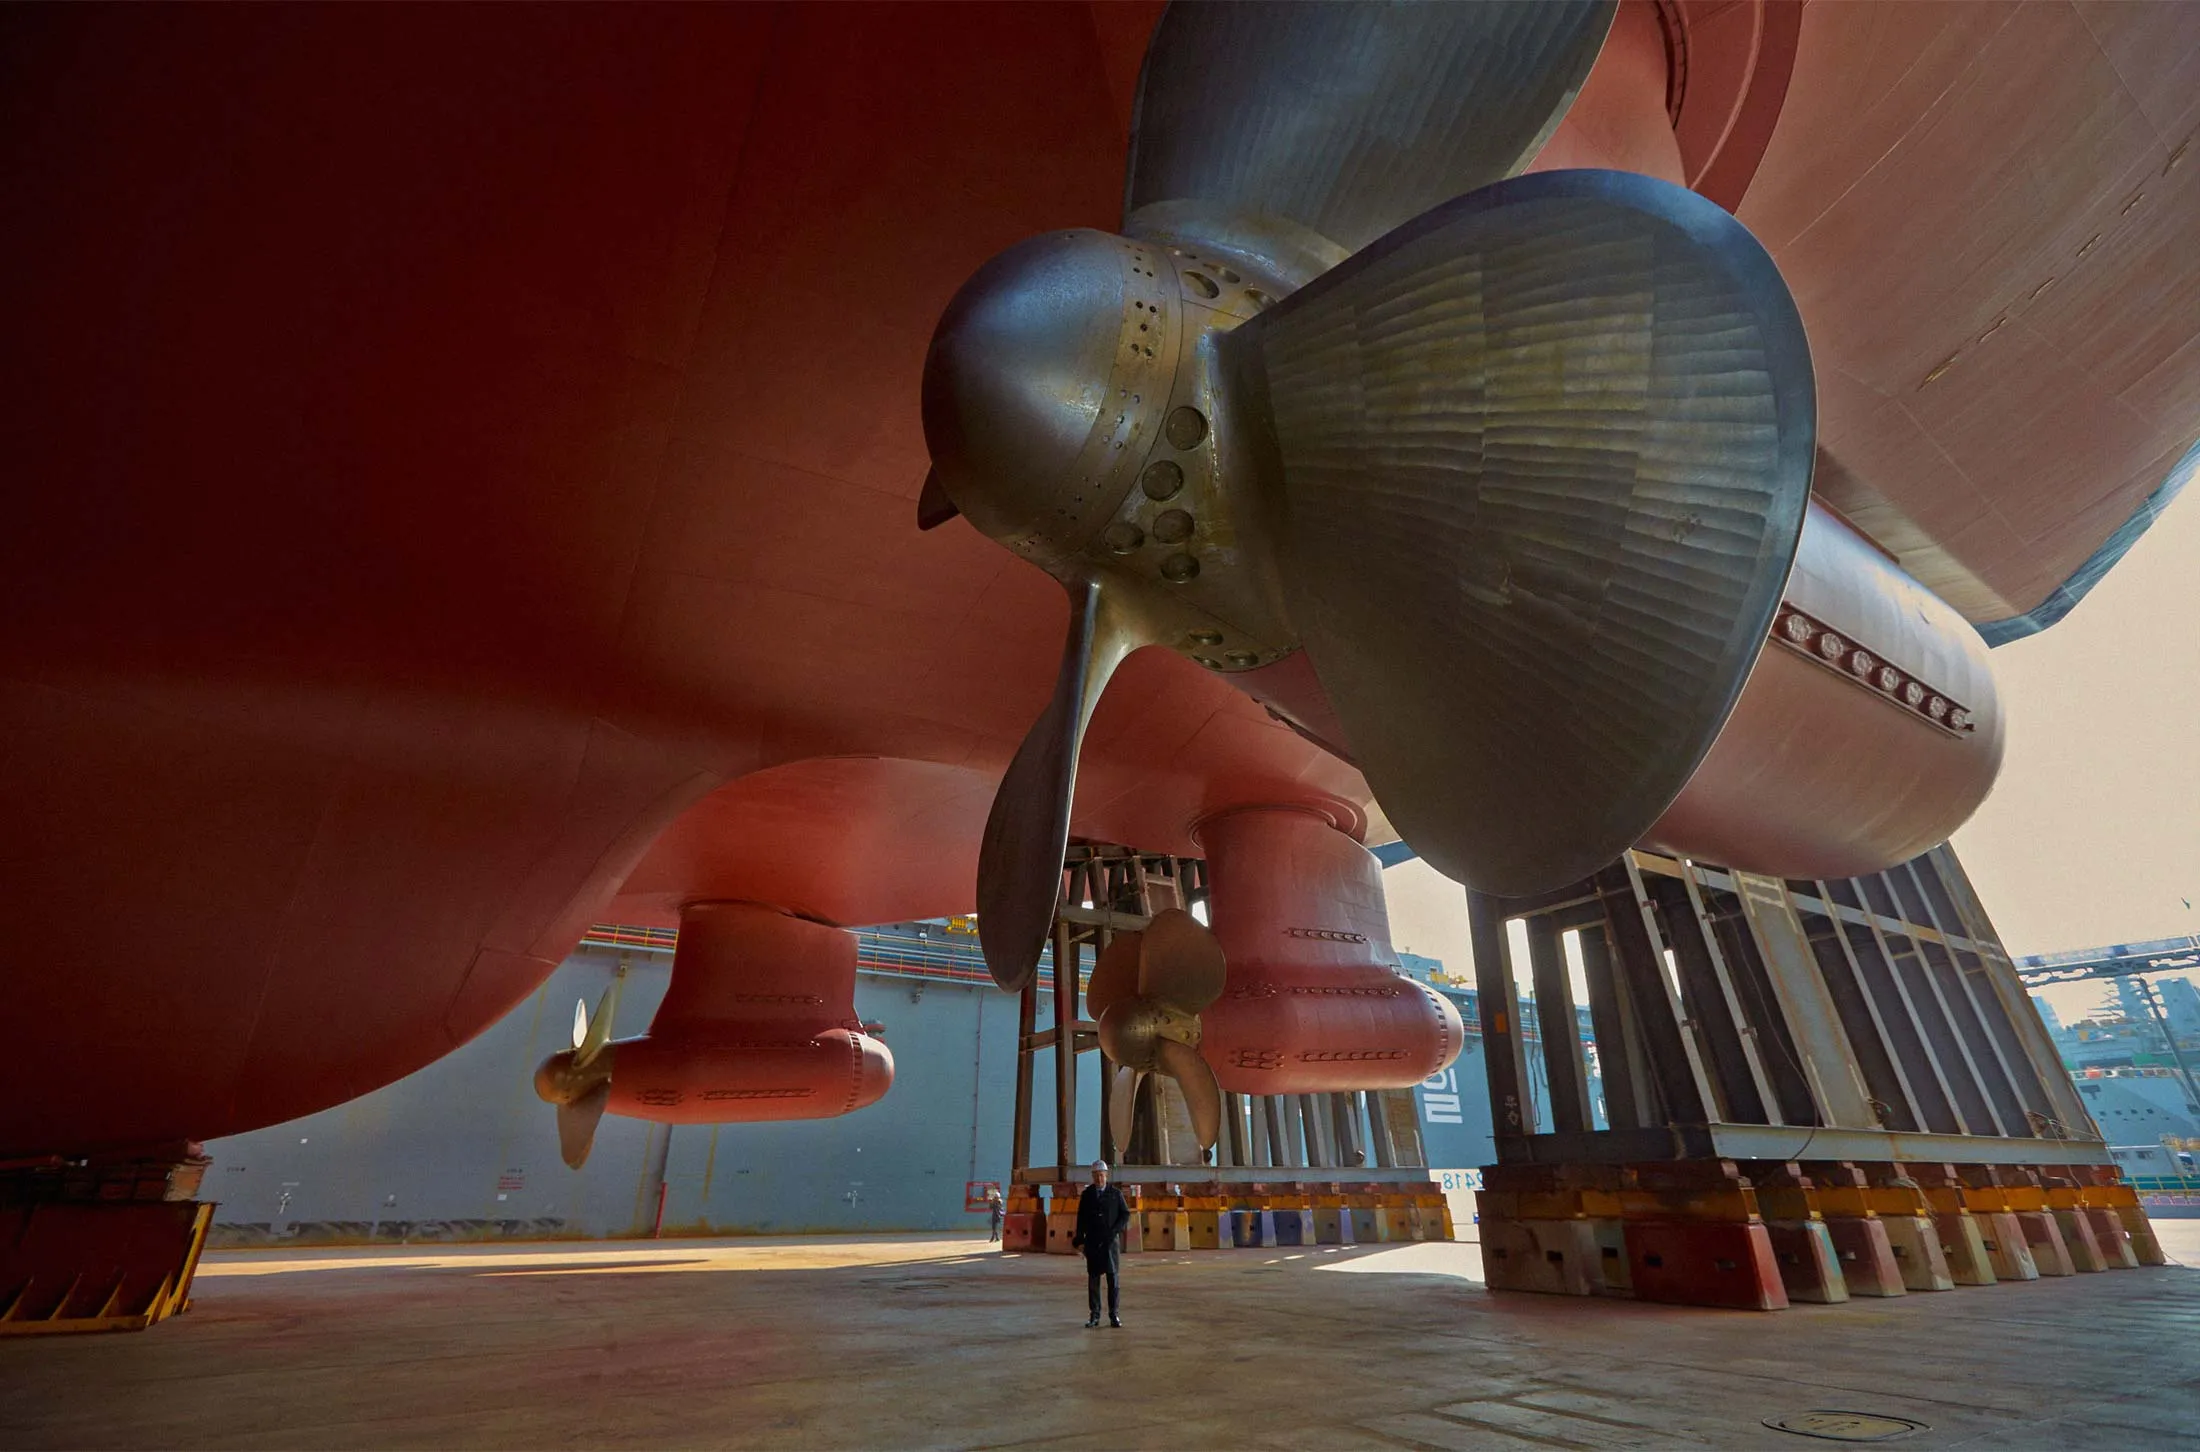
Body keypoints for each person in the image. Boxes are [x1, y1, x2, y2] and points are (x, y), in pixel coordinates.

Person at [1070, 1158, 1130, 1328]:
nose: (1099, 1179)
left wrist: (1115, 1230)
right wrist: (1079, 1241)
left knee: (1113, 1280)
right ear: (1092, 1176)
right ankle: (1094, 1315)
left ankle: (1114, 1315)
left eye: (1102, 1175)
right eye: (1096, 1175)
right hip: (1093, 1243)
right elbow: (1081, 1219)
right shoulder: (1087, 1195)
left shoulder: (1115, 1194)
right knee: (1094, 1281)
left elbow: (1125, 1214)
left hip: (1110, 1244)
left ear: (1106, 1175)